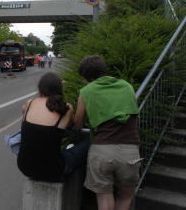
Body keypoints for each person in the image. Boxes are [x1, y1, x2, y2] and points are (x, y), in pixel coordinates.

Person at [73, 55, 141, 210]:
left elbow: (78, 125)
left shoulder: (86, 91)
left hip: (102, 151)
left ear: (87, 77)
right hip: (129, 151)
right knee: (126, 197)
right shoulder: (126, 86)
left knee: (104, 199)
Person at [17, 72, 90, 182]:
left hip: (25, 167)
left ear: (39, 88)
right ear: (60, 89)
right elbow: (73, 127)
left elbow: (25, 115)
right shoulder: (66, 108)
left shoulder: (29, 103)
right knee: (88, 143)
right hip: (53, 170)